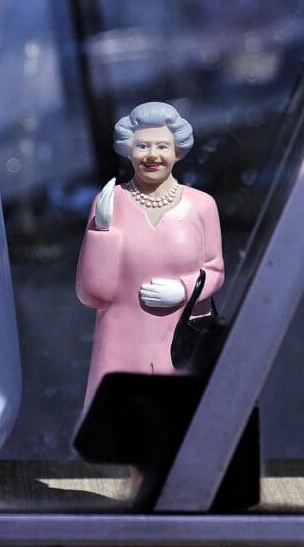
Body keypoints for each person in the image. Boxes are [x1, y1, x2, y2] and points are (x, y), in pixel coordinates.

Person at [76, 102, 223, 409]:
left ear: (177, 151)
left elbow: (215, 269)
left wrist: (183, 290)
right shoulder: (109, 202)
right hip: (121, 339)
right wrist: (102, 231)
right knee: (122, 428)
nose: (152, 154)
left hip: (179, 335)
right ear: (128, 150)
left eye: (162, 146)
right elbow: (92, 293)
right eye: (142, 145)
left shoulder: (202, 205)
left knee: (179, 423)